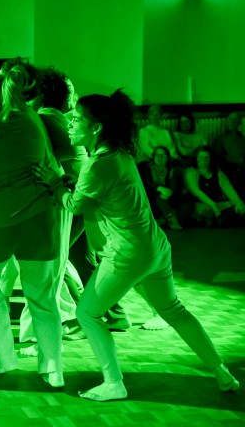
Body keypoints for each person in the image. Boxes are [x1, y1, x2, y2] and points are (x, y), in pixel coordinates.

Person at [35, 89, 240, 401]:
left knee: (87, 314)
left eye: (76, 119)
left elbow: (75, 205)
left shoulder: (99, 163)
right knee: (174, 310)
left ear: (96, 127)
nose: (70, 124)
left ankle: (113, 383)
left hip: (129, 253)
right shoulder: (120, 153)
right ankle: (221, 371)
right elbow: (99, 194)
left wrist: (54, 181)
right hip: (154, 247)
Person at [0, 66, 64, 387]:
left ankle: (6, 360)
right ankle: (53, 368)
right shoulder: (33, 120)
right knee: (43, 297)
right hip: (38, 221)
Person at [183, 145, 245, 227]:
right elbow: (197, 192)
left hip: (219, 204)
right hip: (201, 205)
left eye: (206, 158)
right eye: (200, 157)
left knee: (240, 207)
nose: (203, 160)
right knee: (208, 215)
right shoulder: (191, 172)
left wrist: (238, 202)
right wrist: (213, 205)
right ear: (196, 158)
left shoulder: (217, 172)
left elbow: (229, 189)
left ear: (211, 159)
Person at [137, 146, 190, 230]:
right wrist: (159, 188)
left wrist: (169, 191)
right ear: (153, 156)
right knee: (160, 200)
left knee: (187, 203)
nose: (160, 157)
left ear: (168, 158)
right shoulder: (146, 167)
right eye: (157, 155)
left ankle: (163, 221)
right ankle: (171, 221)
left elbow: (173, 185)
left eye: (163, 155)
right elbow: (147, 183)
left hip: (166, 196)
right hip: (151, 195)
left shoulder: (171, 169)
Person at [213, 112, 245, 195]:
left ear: (239, 122)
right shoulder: (220, 138)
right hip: (228, 172)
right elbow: (216, 159)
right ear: (227, 121)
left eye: (235, 120)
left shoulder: (243, 139)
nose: (232, 122)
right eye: (230, 119)